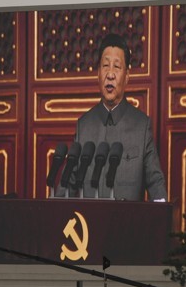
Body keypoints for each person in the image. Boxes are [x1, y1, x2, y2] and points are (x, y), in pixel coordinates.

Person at [70, 34, 166, 202]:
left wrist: (160, 220)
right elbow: (69, 185)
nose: (110, 74)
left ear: (127, 76)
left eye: (117, 67)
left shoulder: (142, 126)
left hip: (128, 226)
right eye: (105, 66)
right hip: (89, 226)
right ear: (98, 74)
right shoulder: (83, 126)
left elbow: (156, 184)